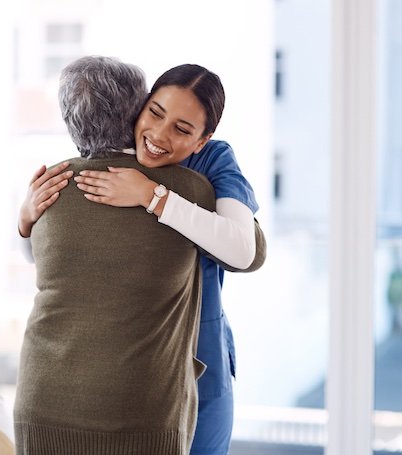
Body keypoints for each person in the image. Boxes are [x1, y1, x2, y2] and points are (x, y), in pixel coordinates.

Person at [19, 63, 265, 455]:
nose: (159, 135)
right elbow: (55, 257)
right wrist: (26, 219)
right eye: (154, 112)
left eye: (183, 130)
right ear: (138, 107)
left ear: (203, 139)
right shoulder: (103, 165)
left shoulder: (210, 165)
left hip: (200, 344)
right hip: (121, 365)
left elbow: (244, 251)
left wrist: (152, 195)